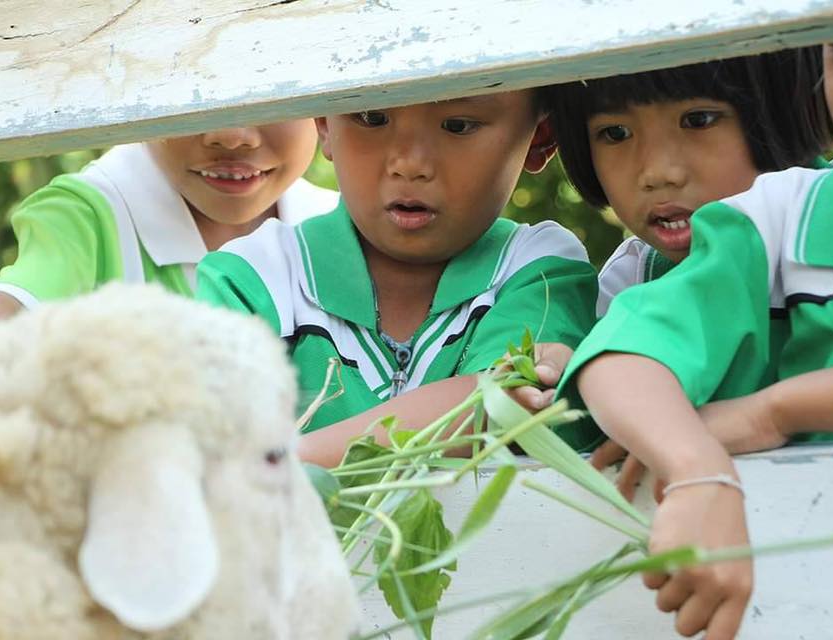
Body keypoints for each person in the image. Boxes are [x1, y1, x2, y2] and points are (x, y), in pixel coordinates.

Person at [556, 31, 833, 640]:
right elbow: (622, 358)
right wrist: (696, 468)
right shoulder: (776, 217)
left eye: (698, 119)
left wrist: (769, 411)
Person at [196, 91, 598, 468]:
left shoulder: (536, 269)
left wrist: (279, 465)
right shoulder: (251, 280)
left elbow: (502, 400)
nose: (410, 163)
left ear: (541, 138)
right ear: (323, 124)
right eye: (372, 117)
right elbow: (205, 457)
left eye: (458, 125)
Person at [530, 48, 833, 456]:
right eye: (616, 134)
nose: (658, 173)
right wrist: (545, 395)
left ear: (782, 105)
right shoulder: (632, 277)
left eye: (698, 120)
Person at [0, 123, 337, 337]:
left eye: (270, 91)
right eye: (194, 81)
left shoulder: (338, 228)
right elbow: (3, 314)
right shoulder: (91, 216)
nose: (233, 135)